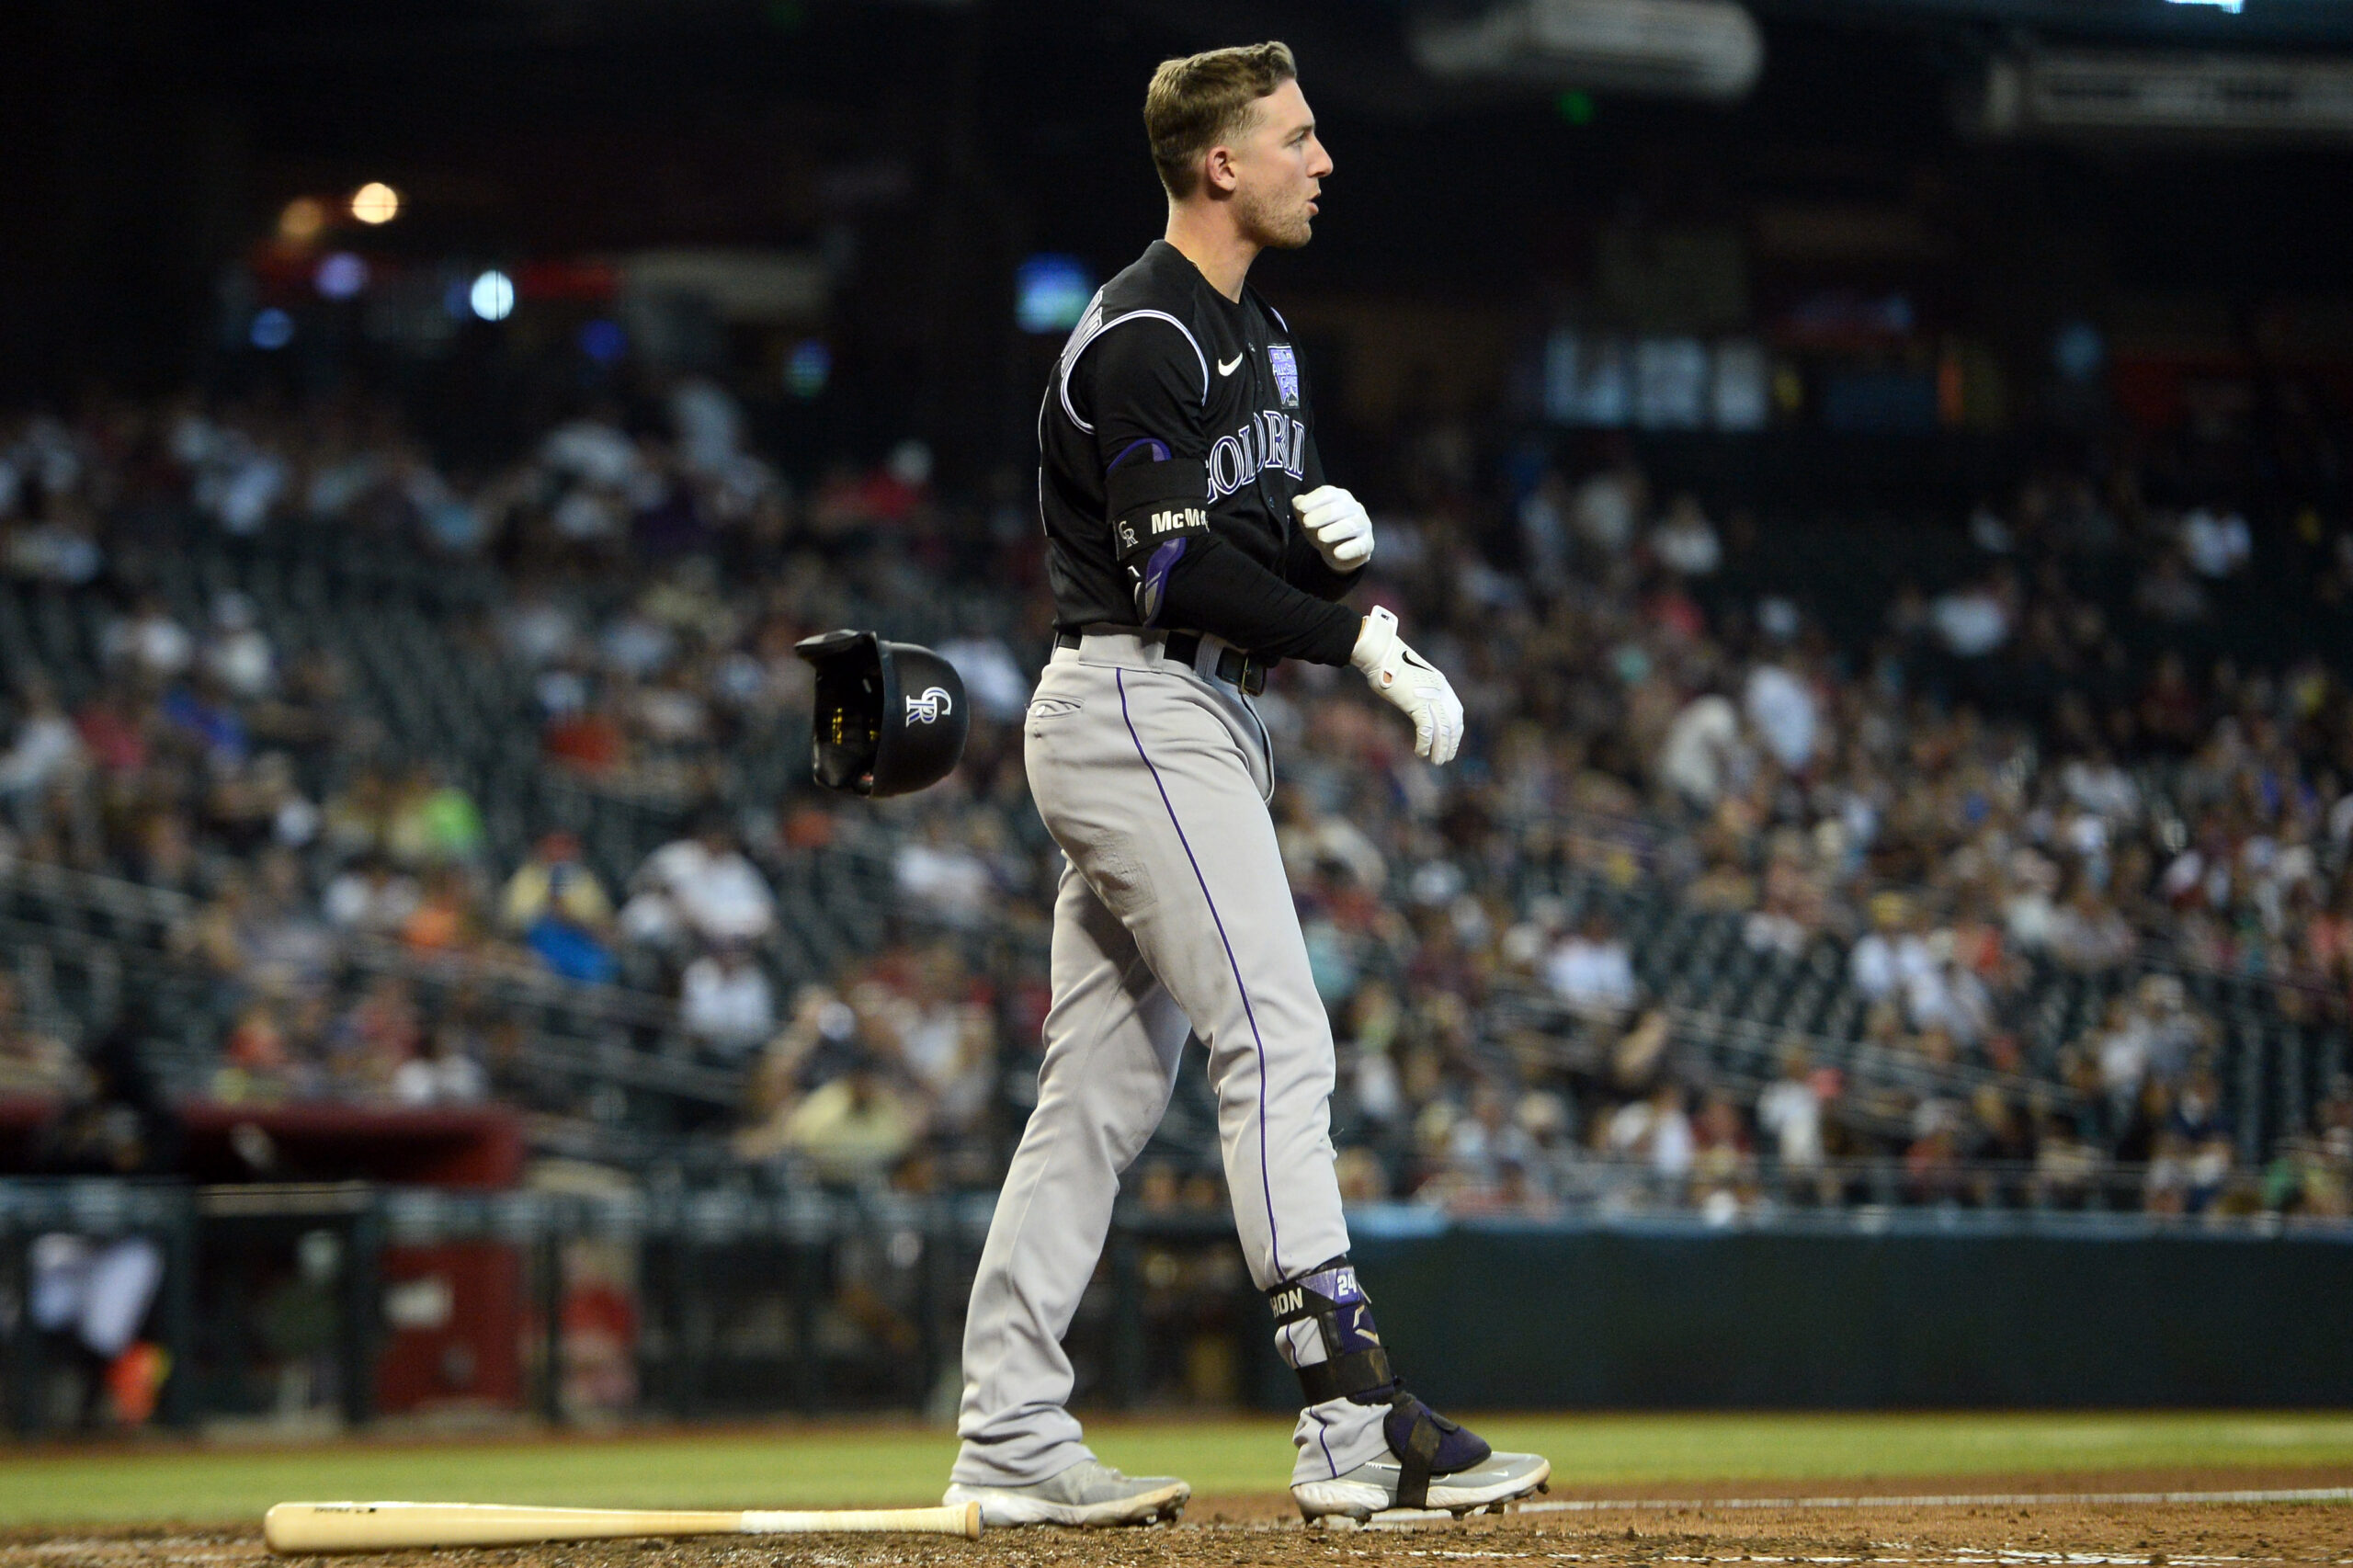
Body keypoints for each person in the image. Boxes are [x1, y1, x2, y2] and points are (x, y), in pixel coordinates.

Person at [943, 41, 1547, 1530]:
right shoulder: (1143, 329)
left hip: (1192, 713)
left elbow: (1239, 545)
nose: (1321, 159)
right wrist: (1360, 634)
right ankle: (1345, 1412)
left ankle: (1011, 1430)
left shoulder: (1264, 338)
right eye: (1296, 136)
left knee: (1094, 1098)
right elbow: (1166, 568)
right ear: (1222, 164)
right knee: (1275, 1031)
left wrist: (1315, 544)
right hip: (1140, 699)